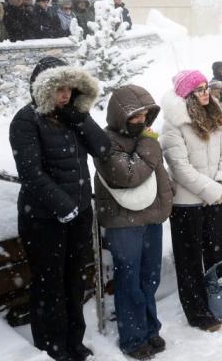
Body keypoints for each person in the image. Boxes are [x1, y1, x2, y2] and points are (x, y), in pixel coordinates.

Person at [9, 56, 111, 361]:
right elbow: (31, 173)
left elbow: (103, 149)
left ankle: (74, 341)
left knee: (74, 279)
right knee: (49, 283)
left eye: (69, 87)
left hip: (78, 215)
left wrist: (81, 117)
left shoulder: (73, 116)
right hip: (43, 219)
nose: (64, 94)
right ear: (42, 89)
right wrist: (64, 206)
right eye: (57, 88)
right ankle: (52, 347)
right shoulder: (26, 120)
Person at [94, 85, 173, 360]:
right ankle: (132, 337)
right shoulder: (106, 141)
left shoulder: (143, 138)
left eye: (145, 116)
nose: (141, 121)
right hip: (123, 221)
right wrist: (149, 143)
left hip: (151, 217)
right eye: (135, 116)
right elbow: (129, 175)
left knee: (149, 278)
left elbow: (155, 174)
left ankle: (151, 328)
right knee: (129, 280)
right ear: (120, 115)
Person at [160, 70, 222, 332]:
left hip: (215, 198)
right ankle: (197, 311)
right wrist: (212, 190)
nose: (206, 93)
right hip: (187, 204)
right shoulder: (174, 124)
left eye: (206, 87)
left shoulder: (213, 117)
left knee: (218, 254)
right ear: (187, 94)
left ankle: (218, 301)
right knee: (190, 260)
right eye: (199, 89)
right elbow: (180, 168)